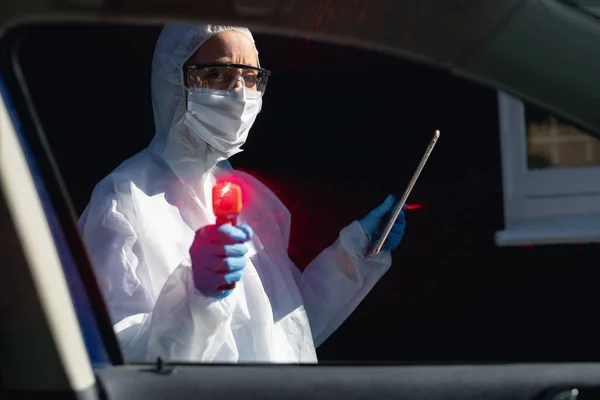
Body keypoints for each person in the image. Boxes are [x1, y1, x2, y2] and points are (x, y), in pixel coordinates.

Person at [78, 23, 407, 363]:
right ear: (173, 82)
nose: (239, 94)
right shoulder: (124, 200)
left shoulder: (253, 198)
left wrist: (355, 252)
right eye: (218, 75)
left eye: (249, 78)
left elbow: (287, 331)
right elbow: (116, 357)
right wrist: (194, 295)